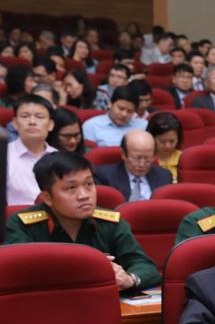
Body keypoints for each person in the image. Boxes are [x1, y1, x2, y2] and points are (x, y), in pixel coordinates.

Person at [5, 151, 160, 291]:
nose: (84, 195)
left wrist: (129, 279)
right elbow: (17, 274)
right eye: (71, 188)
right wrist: (87, 268)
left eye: (88, 184)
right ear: (47, 198)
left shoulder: (111, 223)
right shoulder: (22, 225)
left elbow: (146, 267)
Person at [6, 94, 58, 205]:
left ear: (51, 125)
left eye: (39, 117)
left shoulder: (59, 157)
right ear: (15, 123)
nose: (32, 122)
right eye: (25, 116)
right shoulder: (4, 155)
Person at [93, 129, 172, 201]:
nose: (142, 164)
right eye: (137, 158)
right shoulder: (105, 176)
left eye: (147, 158)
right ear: (124, 154)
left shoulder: (164, 176)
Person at [82, 85, 147, 147]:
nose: (124, 114)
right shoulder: (91, 126)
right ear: (110, 104)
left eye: (129, 111)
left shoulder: (143, 126)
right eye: (121, 109)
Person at [146, 112, 183, 182]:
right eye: (162, 141)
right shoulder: (145, 160)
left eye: (172, 141)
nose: (167, 146)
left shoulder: (183, 159)